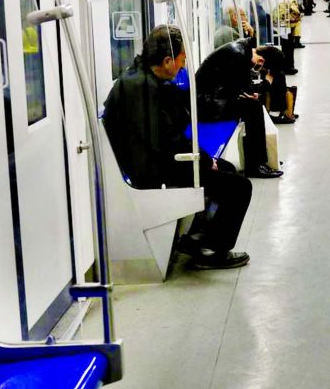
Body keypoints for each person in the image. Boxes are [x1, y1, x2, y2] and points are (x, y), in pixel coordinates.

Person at [102, 25, 251, 270]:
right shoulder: (144, 89)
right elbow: (165, 143)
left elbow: (172, 119)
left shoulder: (141, 78)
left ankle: (198, 239)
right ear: (168, 60)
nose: (182, 67)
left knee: (226, 169)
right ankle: (212, 251)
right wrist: (203, 160)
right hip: (148, 169)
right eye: (182, 60)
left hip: (146, 158)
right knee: (239, 187)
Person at [196, 38, 285, 179]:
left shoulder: (241, 50)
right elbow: (246, 88)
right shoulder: (239, 57)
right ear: (261, 62)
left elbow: (242, 87)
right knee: (253, 108)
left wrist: (249, 92)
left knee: (252, 106)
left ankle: (259, 160)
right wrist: (266, 83)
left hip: (212, 98)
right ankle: (256, 165)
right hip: (209, 104)